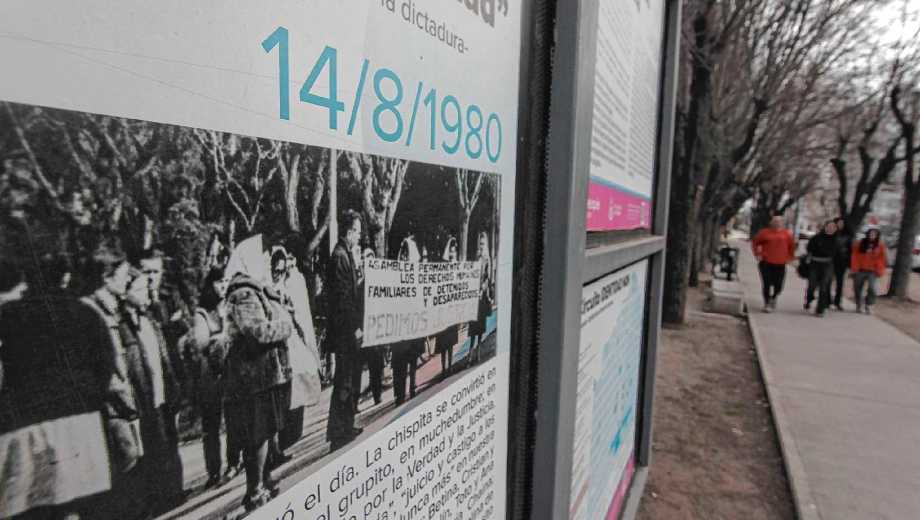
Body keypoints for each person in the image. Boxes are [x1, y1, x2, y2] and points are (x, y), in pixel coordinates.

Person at [0, 257, 115, 520]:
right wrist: (91, 400)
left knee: (31, 506)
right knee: (74, 504)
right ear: (64, 278)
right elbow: (106, 363)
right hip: (80, 422)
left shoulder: (7, 316)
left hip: (23, 426)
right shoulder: (85, 312)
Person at [223, 236, 294, 511]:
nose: (266, 261)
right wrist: (285, 324)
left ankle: (262, 483)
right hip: (251, 379)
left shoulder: (256, 290)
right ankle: (254, 491)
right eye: (261, 257)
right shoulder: (243, 292)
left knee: (263, 434)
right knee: (256, 437)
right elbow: (258, 332)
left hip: (260, 377)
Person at [185, 267, 237, 488]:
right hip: (210, 375)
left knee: (234, 419)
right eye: (218, 282)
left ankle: (234, 462)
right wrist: (223, 334)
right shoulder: (202, 313)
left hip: (230, 371)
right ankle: (213, 470)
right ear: (210, 285)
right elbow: (200, 342)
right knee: (212, 425)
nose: (223, 285)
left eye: (225, 281)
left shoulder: (229, 306)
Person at [325, 210, 365, 451]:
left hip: (345, 331)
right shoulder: (340, 256)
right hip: (344, 333)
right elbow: (343, 300)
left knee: (348, 379)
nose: (359, 237)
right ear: (349, 232)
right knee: (344, 381)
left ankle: (345, 427)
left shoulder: (345, 254)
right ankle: (339, 433)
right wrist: (354, 329)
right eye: (357, 232)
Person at [391, 237, 422, 405]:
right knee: (399, 362)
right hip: (398, 327)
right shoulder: (395, 275)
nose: (403, 257)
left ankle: (412, 387)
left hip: (412, 326)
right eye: (402, 253)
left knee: (412, 357)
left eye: (406, 253)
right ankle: (399, 395)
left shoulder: (415, 277)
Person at [355, 247, 384, 407]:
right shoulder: (359, 287)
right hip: (364, 331)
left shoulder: (380, 285)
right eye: (367, 261)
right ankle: (355, 401)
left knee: (377, 365)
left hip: (377, 332)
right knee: (359, 368)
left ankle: (377, 395)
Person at [751, 215, 796, 312]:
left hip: (780, 263)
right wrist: (757, 254)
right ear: (771, 222)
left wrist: (790, 258)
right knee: (766, 283)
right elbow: (755, 242)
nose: (777, 223)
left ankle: (774, 297)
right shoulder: (764, 232)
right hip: (766, 262)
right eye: (775, 221)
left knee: (778, 285)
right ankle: (767, 303)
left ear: (782, 223)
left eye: (779, 221)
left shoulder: (787, 234)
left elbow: (792, 247)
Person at [436, 237, 460, 378]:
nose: (452, 255)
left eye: (454, 253)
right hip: (444, 311)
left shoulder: (458, 269)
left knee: (450, 341)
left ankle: (450, 367)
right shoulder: (444, 268)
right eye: (450, 253)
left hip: (453, 311)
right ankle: (444, 368)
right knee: (443, 343)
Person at [468, 232, 494, 363]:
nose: (481, 246)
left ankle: (477, 354)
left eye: (483, 243)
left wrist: (482, 290)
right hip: (474, 297)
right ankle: (470, 354)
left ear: (486, 245)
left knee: (479, 329)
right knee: (472, 329)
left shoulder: (487, 259)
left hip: (482, 297)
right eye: (480, 243)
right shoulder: (476, 257)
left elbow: (487, 278)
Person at [850, 227, 888, 315]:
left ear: (877, 236)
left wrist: (880, 269)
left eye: (874, 234)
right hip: (860, 270)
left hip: (873, 271)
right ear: (867, 234)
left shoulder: (880, 245)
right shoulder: (859, 243)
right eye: (870, 234)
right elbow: (854, 256)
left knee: (873, 288)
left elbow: (883, 259)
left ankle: (869, 305)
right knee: (857, 288)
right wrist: (854, 268)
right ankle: (859, 305)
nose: (872, 236)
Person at [805, 220, 838, 317]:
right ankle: (809, 298)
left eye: (833, 227)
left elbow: (837, 255)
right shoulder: (816, 238)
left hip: (827, 265)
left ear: (835, 229)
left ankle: (820, 309)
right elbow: (809, 249)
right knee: (812, 285)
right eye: (829, 226)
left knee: (824, 287)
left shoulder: (836, 240)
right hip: (815, 263)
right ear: (825, 227)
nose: (831, 228)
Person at [832, 217, 853, 311]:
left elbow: (850, 251)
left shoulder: (848, 236)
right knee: (826, 281)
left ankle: (837, 302)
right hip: (831, 261)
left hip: (842, 262)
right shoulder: (831, 234)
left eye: (841, 223)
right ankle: (827, 300)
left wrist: (849, 265)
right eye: (838, 223)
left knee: (840, 283)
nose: (839, 225)